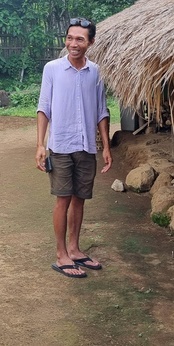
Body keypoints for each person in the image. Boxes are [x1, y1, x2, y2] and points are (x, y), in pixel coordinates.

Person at [35, 17, 112, 278]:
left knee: (80, 199)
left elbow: (102, 111)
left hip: (86, 146)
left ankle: (75, 249)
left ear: (90, 42)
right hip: (61, 145)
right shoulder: (52, 69)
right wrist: (40, 145)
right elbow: (43, 107)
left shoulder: (96, 72)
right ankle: (61, 255)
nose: (73, 43)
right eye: (70, 38)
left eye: (80, 39)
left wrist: (106, 146)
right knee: (63, 199)